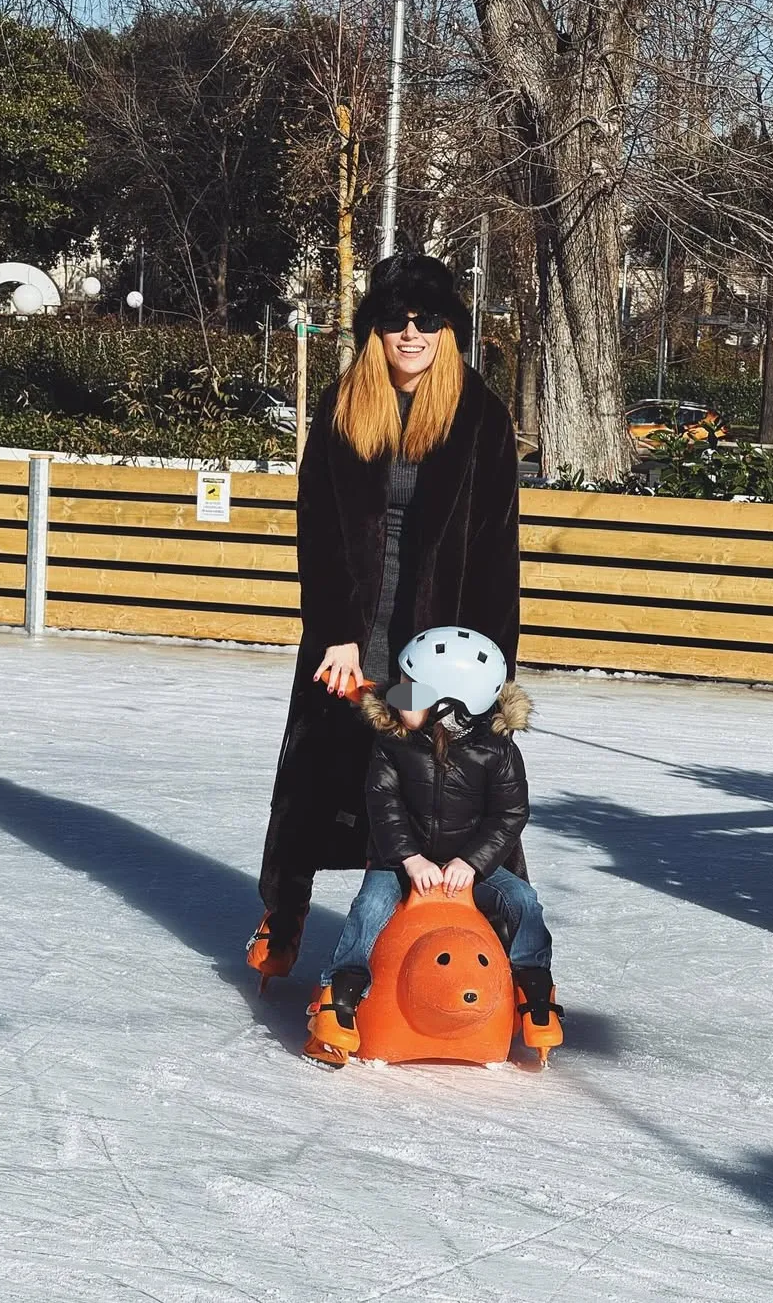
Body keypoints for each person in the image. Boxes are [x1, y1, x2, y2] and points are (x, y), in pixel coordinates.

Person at [249, 254, 524, 984]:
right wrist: (335, 628)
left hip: (439, 640)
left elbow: (498, 550)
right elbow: (317, 528)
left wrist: (488, 668)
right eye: (397, 320)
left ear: (449, 330)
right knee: (319, 773)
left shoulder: (480, 416)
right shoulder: (345, 406)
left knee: (448, 780)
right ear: (375, 329)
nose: (412, 334)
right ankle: (285, 915)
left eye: (427, 320)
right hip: (356, 632)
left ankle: (511, 952)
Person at [303, 626, 562, 1069]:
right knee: (369, 907)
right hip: (398, 859)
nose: (398, 697)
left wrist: (472, 863)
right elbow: (382, 803)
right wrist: (409, 857)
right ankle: (339, 996)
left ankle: (534, 990)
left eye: (410, 691)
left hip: (468, 863)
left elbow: (510, 815)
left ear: (450, 707)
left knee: (523, 900)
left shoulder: (496, 750)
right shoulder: (392, 741)